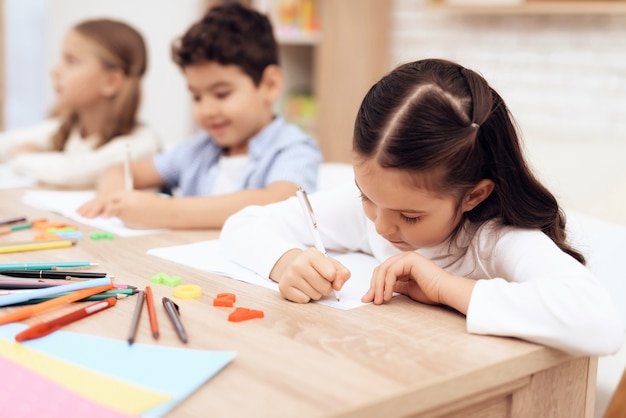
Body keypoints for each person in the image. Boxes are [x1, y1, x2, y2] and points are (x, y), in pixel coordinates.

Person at [220, 58, 624, 356]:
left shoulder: (493, 239)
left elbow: (600, 323)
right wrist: (287, 260)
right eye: (366, 197)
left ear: (474, 195)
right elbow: (244, 224)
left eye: (410, 217)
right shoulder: (382, 207)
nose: (380, 226)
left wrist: (446, 288)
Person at [77, 3, 321, 229]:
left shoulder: (294, 149)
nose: (206, 110)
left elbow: (278, 202)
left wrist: (165, 211)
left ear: (269, 85)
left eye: (221, 94)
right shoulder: (198, 149)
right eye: (197, 97)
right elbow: (117, 170)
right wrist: (114, 194)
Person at [0, 19, 160, 187]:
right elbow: (6, 142)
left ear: (111, 81)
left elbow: (67, 173)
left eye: (71, 61)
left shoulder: (140, 145)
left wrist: (21, 156)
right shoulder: (64, 128)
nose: (54, 71)